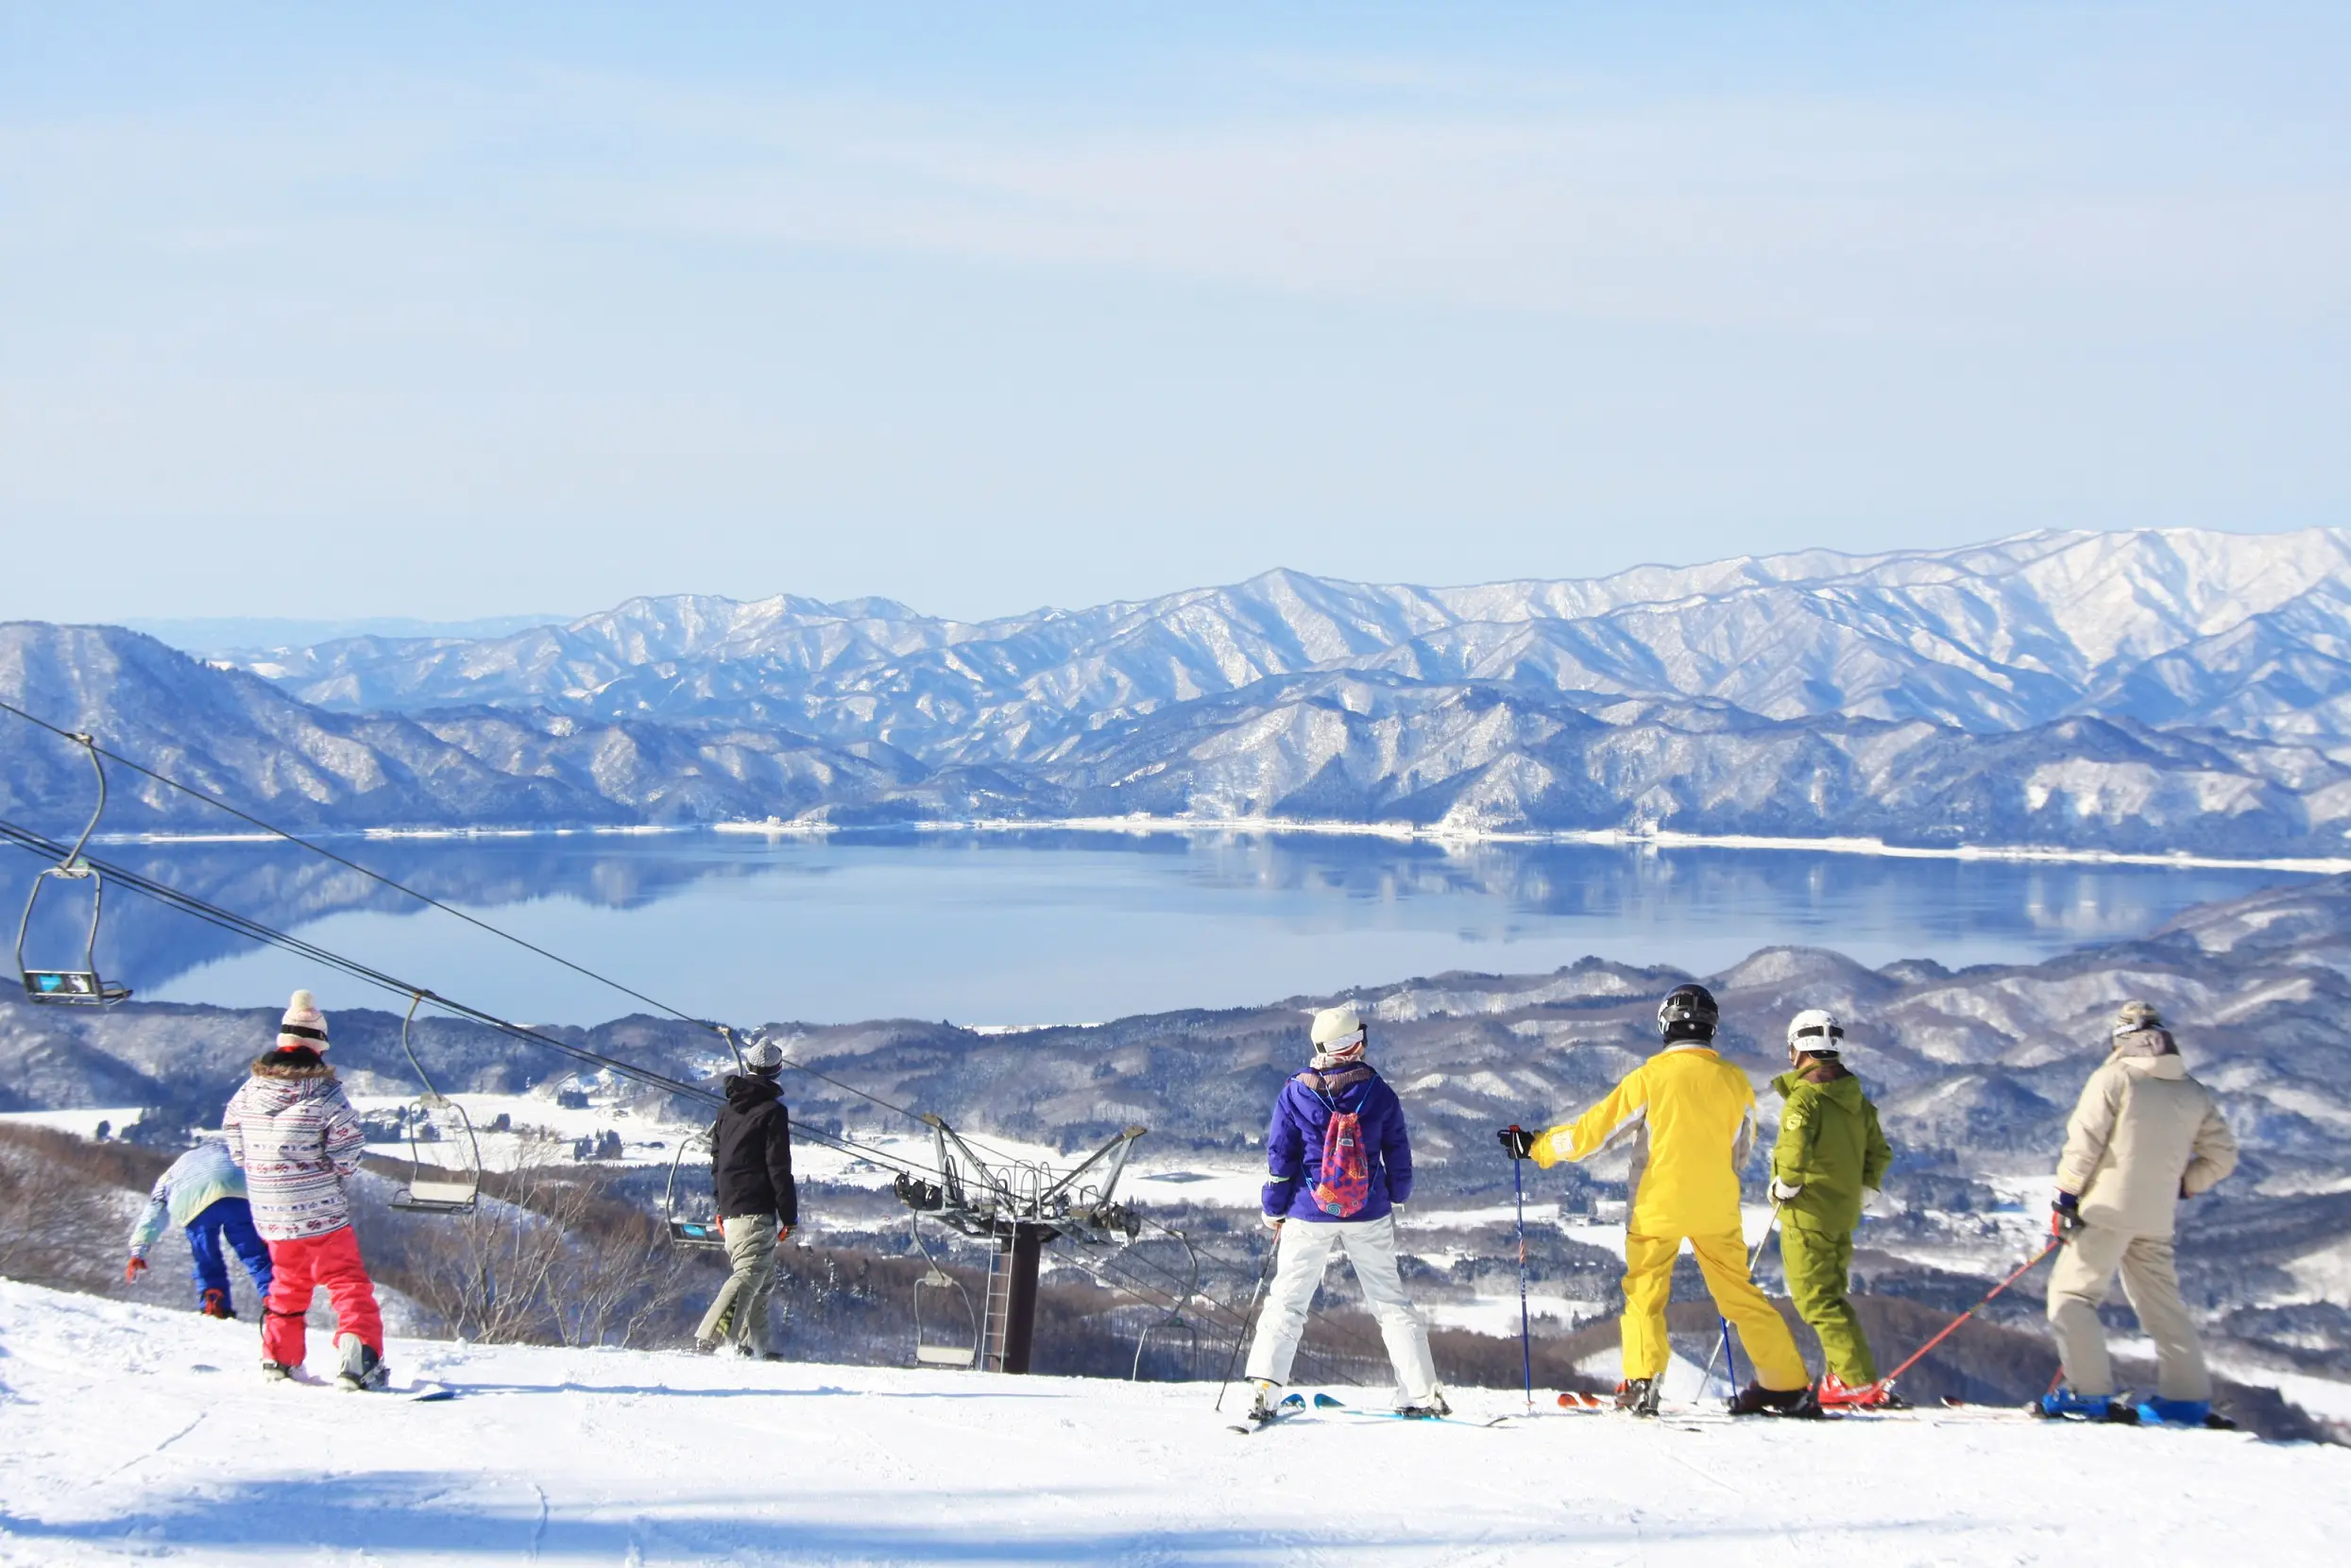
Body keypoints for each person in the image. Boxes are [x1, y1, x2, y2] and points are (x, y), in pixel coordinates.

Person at [1505, 982, 1816, 1417]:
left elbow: (1591, 1136)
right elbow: (1742, 1150)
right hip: (1717, 1207)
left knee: (1645, 1293)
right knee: (1740, 1296)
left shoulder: (1649, 1078)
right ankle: (1785, 1385)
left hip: (1656, 1206)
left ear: (1665, 1025)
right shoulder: (1735, 1082)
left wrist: (1535, 1146)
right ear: (1712, 1028)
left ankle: (1643, 1380)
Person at [1242, 1002, 1446, 1420]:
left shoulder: (1295, 1091)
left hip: (1308, 1210)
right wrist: (1396, 1193)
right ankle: (1422, 1392)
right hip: (1367, 1210)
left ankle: (1265, 1389)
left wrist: (1273, 1209)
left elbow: (1280, 1157)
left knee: (1288, 1301)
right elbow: (1398, 1151)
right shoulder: (1379, 1091)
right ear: (1354, 1044)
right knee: (1390, 1301)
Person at [2042, 1000, 2238, 1426]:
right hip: (2156, 1214)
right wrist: (2184, 1183)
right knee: (2161, 1304)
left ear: (2120, 1041)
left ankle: (2087, 1392)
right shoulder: (2190, 1090)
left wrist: (2066, 1197)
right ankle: (2186, 1399)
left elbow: (2085, 1144)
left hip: (2106, 1208)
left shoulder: (2113, 1079)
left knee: (2072, 1295)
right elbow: (2223, 1156)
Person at [222, 989, 389, 1391]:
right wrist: (331, 1173)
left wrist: (263, 1170)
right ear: (319, 1047)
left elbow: (235, 1141)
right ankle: (358, 1359)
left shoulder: (248, 1091)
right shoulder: (326, 1094)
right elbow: (347, 1149)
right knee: (346, 1280)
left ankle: (278, 1357)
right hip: (320, 1210)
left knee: (287, 1280)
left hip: (270, 1212)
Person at [1766, 1008, 1895, 1408]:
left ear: (1797, 1049)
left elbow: (1794, 1147)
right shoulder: (1856, 1099)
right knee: (1832, 1297)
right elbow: (1879, 1150)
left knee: (1815, 1300)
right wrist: (1866, 1188)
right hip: (1842, 1211)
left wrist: (1785, 1183)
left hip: (1808, 1211)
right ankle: (1852, 1376)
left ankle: (1854, 1381)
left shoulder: (1805, 1098)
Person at [696, 1036, 798, 1359]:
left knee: (762, 1279)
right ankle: (713, 1335)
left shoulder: (725, 1112)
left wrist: (720, 1206)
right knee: (750, 1274)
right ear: (777, 1071)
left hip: (731, 1208)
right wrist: (789, 1216)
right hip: (757, 1209)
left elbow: (717, 1161)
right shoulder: (773, 1113)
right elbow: (778, 1167)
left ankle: (760, 1348)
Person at [125, 1135, 274, 1319]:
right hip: (238, 1191)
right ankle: (274, 1300)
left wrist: (139, 1249)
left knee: (205, 1257)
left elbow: (157, 1206)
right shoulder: (235, 1154)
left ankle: (214, 1303)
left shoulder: (177, 1167)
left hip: (192, 1201)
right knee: (255, 1254)